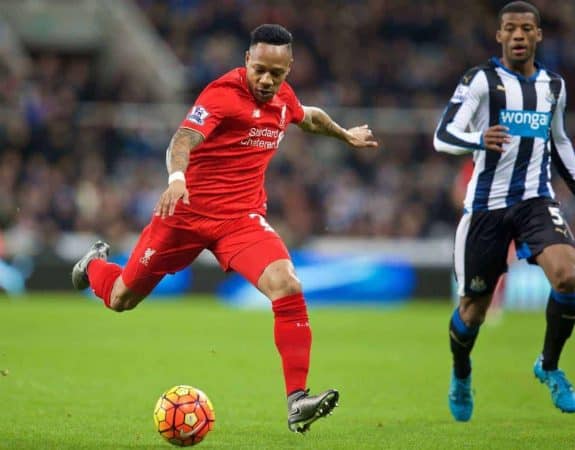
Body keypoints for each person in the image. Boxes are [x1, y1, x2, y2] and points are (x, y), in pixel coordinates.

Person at [71, 24, 378, 433]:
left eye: (278, 73)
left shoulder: (283, 97)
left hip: (240, 220)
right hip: (183, 215)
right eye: (261, 70)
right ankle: (93, 266)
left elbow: (309, 117)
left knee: (286, 284)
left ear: (289, 69)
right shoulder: (221, 95)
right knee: (122, 297)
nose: (267, 81)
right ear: (247, 61)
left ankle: (297, 399)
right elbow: (181, 140)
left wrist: (345, 135)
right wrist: (177, 179)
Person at [434, 1, 575, 421]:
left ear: (538, 36)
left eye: (526, 28)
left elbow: (559, 140)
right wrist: (479, 139)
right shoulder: (481, 81)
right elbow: (444, 135)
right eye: (510, 28)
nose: (518, 35)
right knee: (473, 311)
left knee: (569, 275)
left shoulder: (553, 85)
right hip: (486, 208)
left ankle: (548, 366)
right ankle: (461, 372)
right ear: (499, 35)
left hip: (535, 200)